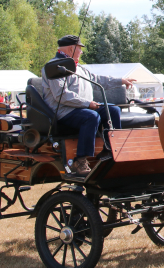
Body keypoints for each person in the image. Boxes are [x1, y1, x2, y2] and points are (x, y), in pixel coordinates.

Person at [41, 35, 136, 176]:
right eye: (80, 49)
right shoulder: (54, 67)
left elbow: (96, 80)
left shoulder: (77, 67)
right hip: (65, 111)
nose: (81, 52)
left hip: (83, 107)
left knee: (113, 110)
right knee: (91, 117)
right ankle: (80, 161)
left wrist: (121, 81)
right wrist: (87, 103)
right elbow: (62, 96)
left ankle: (111, 150)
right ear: (71, 49)